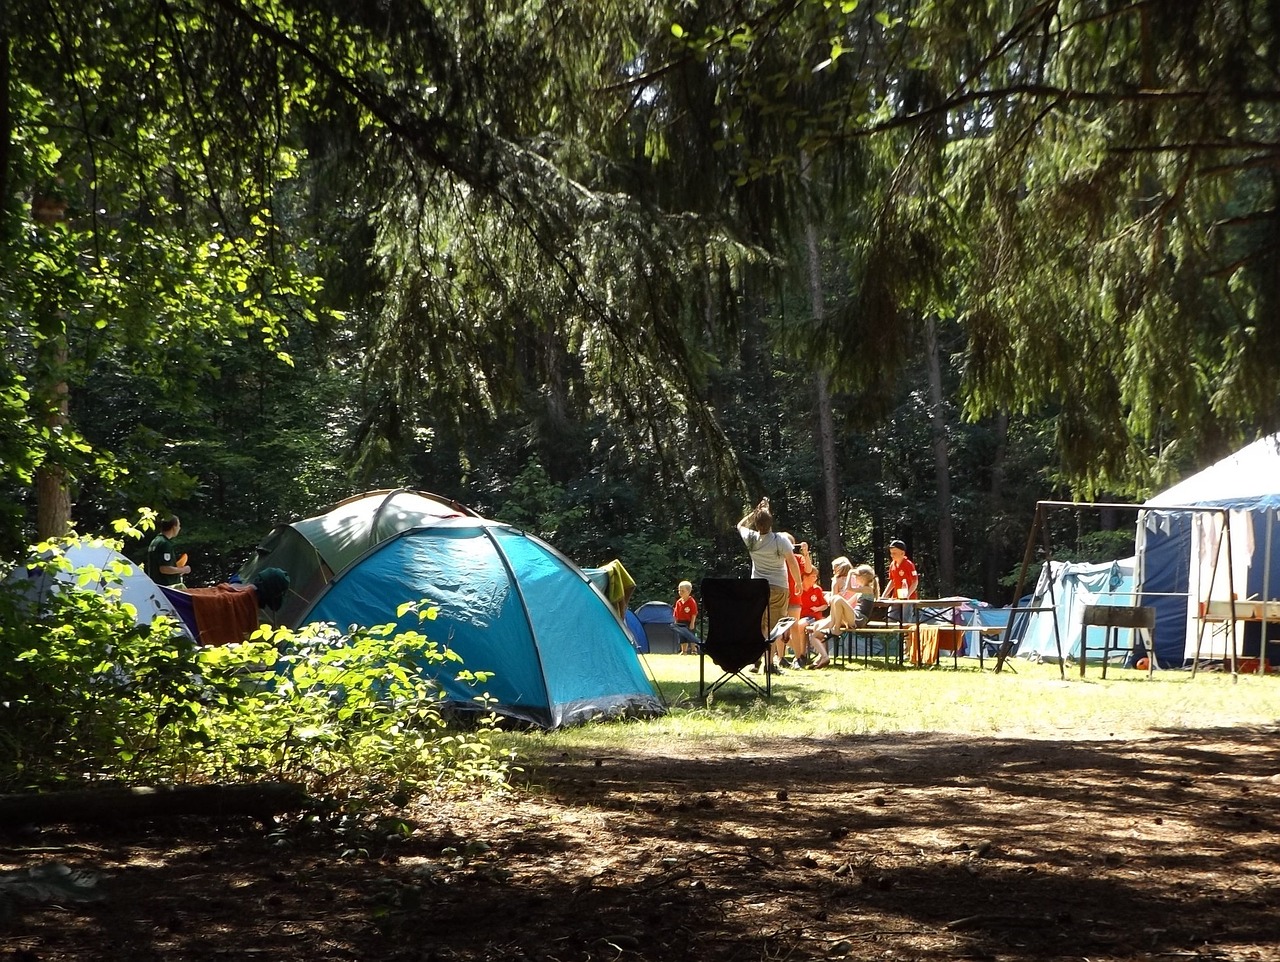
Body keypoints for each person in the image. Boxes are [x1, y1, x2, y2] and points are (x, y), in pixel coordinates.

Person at [736, 498, 800, 674]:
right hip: (779, 587)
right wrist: (799, 583)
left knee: (760, 625)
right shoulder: (780, 540)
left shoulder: (751, 539)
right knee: (773, 627)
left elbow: (740, 525)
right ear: (771, 522)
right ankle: (769, 665)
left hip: (757, 588)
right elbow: (792, 562)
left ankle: (757, 661)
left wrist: (755, 512)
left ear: (756, 524)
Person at [146, 514, 191, 587]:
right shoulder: (165, 544)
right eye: (179, 525)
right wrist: (183, 570)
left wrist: (176, 569)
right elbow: (164, 569)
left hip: (156, 585)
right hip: (167, 587)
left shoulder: (155, 541)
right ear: (174, 527)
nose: (179, 528)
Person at [881, 538, 919, 622]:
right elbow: (892, 581)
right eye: (891, 553)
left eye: (894, 553)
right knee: (891, 619)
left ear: (902, 553)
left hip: (908, 599)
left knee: (906, 621)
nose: (892, 555)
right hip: (895, 598)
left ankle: (906, 635)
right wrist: (884, 595)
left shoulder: (908, 564)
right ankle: (893, 635)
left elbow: (915, 581)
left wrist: (907, 595)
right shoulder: (892, 565)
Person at [673, 580, 699, 655]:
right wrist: (676, 622)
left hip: (689, 621)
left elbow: (694, 613)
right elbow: (676, 613)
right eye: (679, 591)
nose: (680, 592)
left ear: (689, 591)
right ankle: (684, 651)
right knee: (682, 637)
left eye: (683, 591)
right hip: (680, 622)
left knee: (691, 636)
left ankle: (694, 650)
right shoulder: (679, 602)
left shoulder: (691, 601)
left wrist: (692, 623)